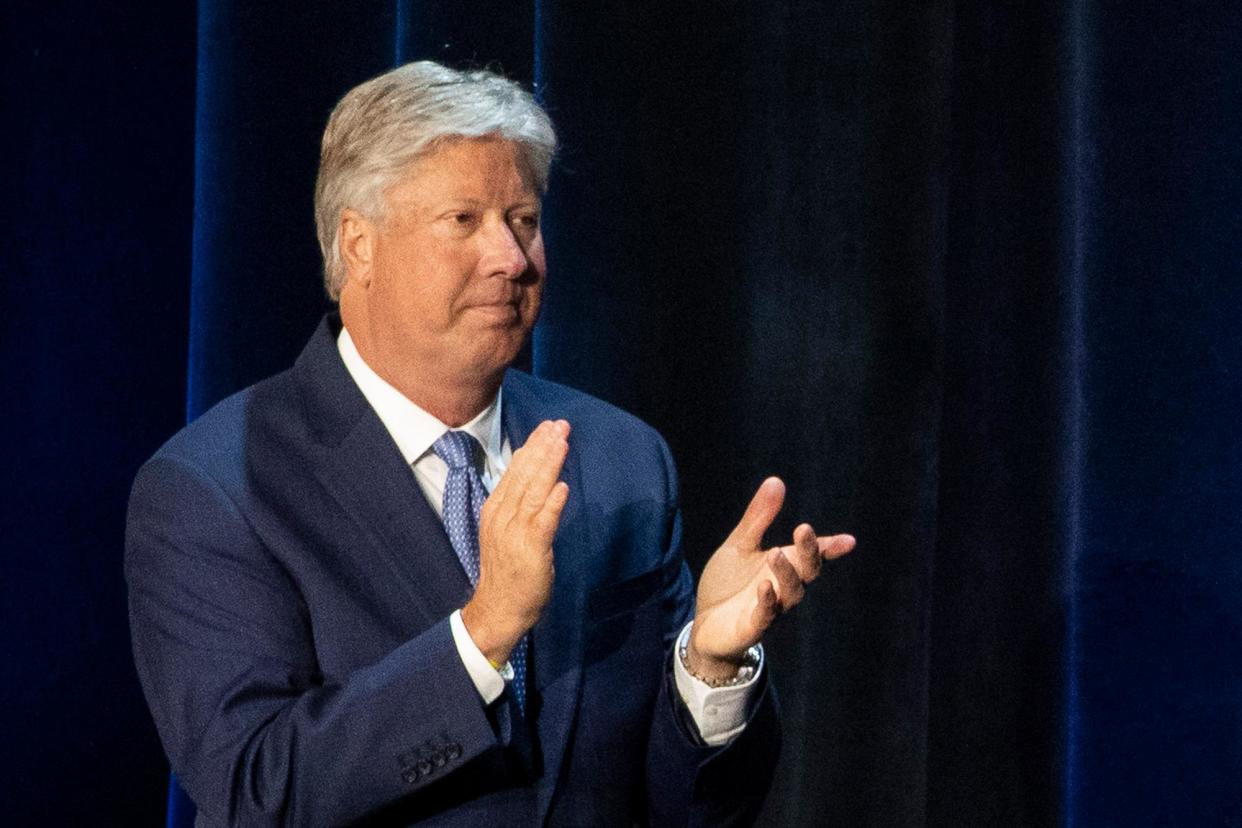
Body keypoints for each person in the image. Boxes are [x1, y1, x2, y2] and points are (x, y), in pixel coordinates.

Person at [125, 60, 854, 827]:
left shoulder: (621, 461)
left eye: (524, 221)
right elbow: (256, 786)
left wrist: (709, 666)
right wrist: (481, 635)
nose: (511, 258)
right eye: (465, 220)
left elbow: (692, 810)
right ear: (359, 244)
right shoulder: (214, 487)